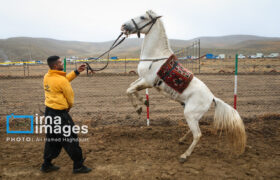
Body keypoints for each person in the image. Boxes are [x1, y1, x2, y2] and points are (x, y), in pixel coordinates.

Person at [40, 55, 91, 173]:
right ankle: (78, 166)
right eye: (60, 63)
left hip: (49, 112)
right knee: (70, 139)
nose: (62, 64)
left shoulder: (48, 76)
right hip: (60, 114)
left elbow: (63, 81)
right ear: (55, 65)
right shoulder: (61, 80)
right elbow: (70, 97)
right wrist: (68, 107)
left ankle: (46, 164)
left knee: (52, 139)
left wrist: (77, 72)